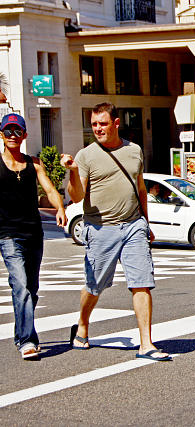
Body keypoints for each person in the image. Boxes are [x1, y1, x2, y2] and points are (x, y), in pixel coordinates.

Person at [60, 103, 171, 361]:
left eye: (102, 123)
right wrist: (73, 172)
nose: (97, 128)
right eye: (94, 124)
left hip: (133, 226)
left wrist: (146, 222)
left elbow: (140, 188)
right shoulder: (86, 155)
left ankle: (146, 344)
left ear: (116, 123)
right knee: (94, 285)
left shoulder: (134, 151)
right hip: (100, 229)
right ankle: (83, 325)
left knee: (142, 283)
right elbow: (76, 196)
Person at [0, 113, 67, 359]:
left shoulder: (34, 164)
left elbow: (49, 188)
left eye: (17, 131)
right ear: (1, 134)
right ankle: (26, 341)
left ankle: (24, 333)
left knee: (32, 289)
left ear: (25, 135)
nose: (13, 136)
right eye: (8, 131)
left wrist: (59, 207)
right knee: (21, 285)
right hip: (7, 234)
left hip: (33, 234)